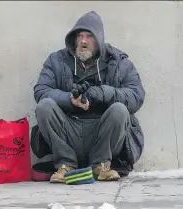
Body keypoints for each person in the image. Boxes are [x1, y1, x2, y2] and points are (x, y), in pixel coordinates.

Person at [32, 11, 145, 183]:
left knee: (120, 110)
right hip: (68, 131)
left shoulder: (119, 62)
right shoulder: (56, 60)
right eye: (80, 36)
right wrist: (69, 99)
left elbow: (136, 96)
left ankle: (101, 165)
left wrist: (102, 93)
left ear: (99, 39)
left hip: (103, 133)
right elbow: (41, 91)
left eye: (89, 36)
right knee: (44, 106)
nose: (83, 41)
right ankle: (65, 165)